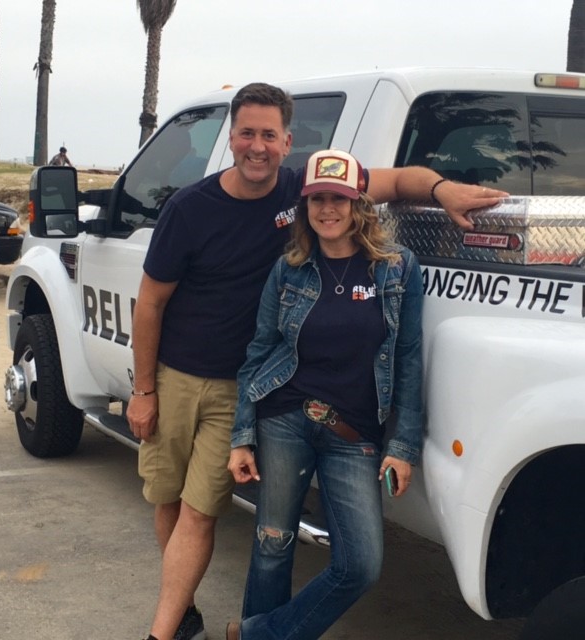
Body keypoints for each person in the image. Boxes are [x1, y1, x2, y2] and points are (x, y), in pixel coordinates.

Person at [126, 82, 507, 640]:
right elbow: (152, 302)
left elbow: (401, 180)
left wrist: (443, 188)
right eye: (247, 133)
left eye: (270, 136)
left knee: (206, 512)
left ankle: (207, 633)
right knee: (184, 504)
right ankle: (181, 613)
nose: (258, 146)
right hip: (187, 378)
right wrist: (143, 389)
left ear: (287, 142)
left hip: (278, 401)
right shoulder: (197, 211)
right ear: (231, 138)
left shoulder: (325, 209)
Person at [226, 149, 423, 640]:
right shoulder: (289, 269)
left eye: (339, 198)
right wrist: (242, 435)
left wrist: (402, 446)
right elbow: (259, 354)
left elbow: (409, 360)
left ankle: (258, 635)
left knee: (360, 564)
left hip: (353, 432)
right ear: (305, 207)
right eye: (317, 199)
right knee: (273, 545)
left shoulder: (397, 270)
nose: (327, 209)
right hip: (285, 420)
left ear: (360, 204)